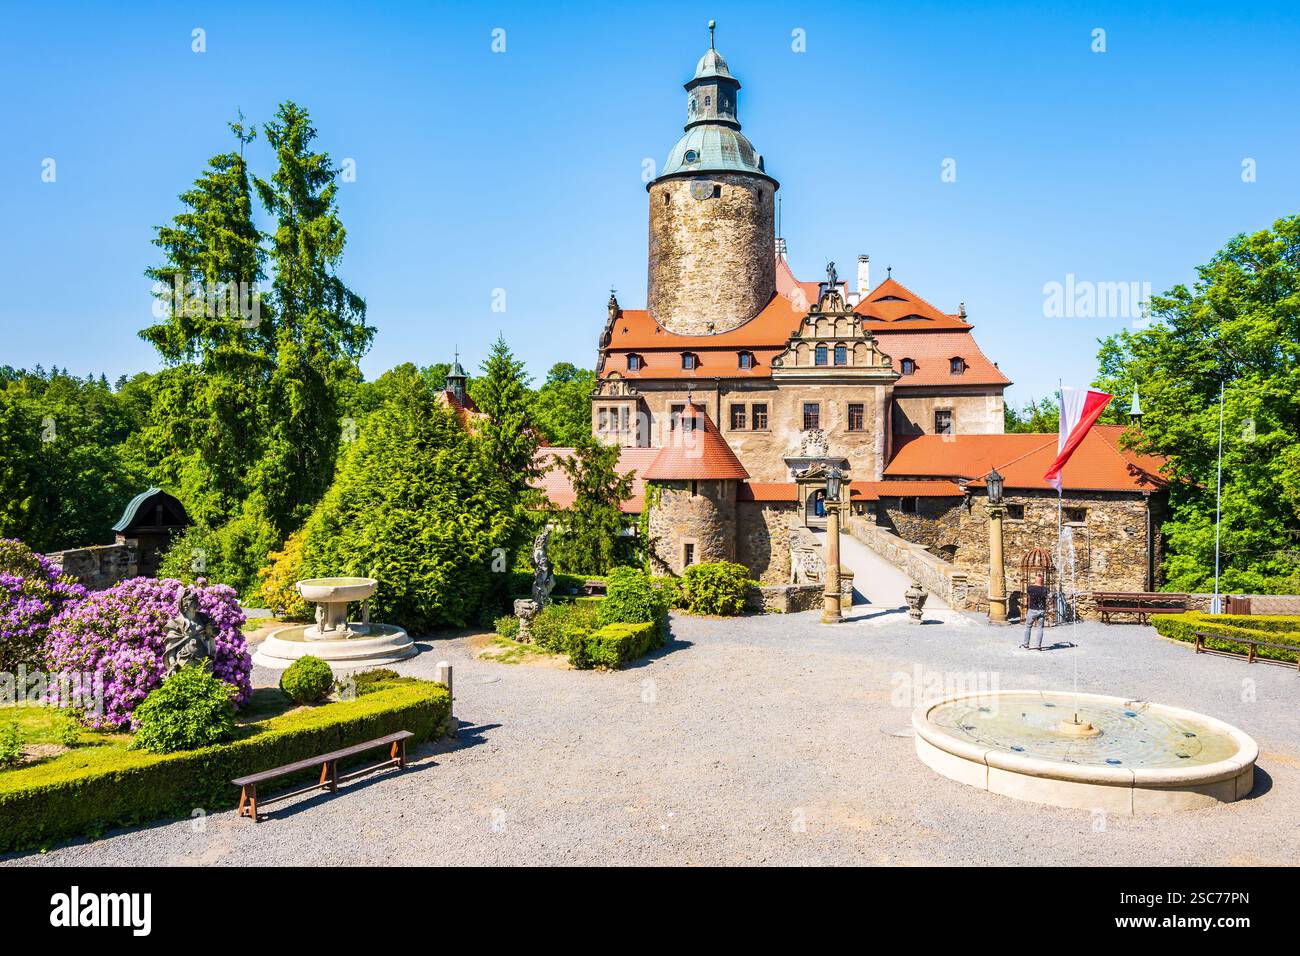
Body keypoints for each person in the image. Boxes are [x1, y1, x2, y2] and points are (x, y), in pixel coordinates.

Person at [1021, 573, 1048, 650]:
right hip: (1041, 610)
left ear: (1035, 580)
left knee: (1028, 627)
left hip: (1032, 609)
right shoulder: (1045, 589)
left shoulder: (1030, 588)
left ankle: (1026, 645)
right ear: (1042, 581)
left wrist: (1036, 583)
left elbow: (1030, 592)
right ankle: (1038, 646)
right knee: (1040, 628)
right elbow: (1047, 595)